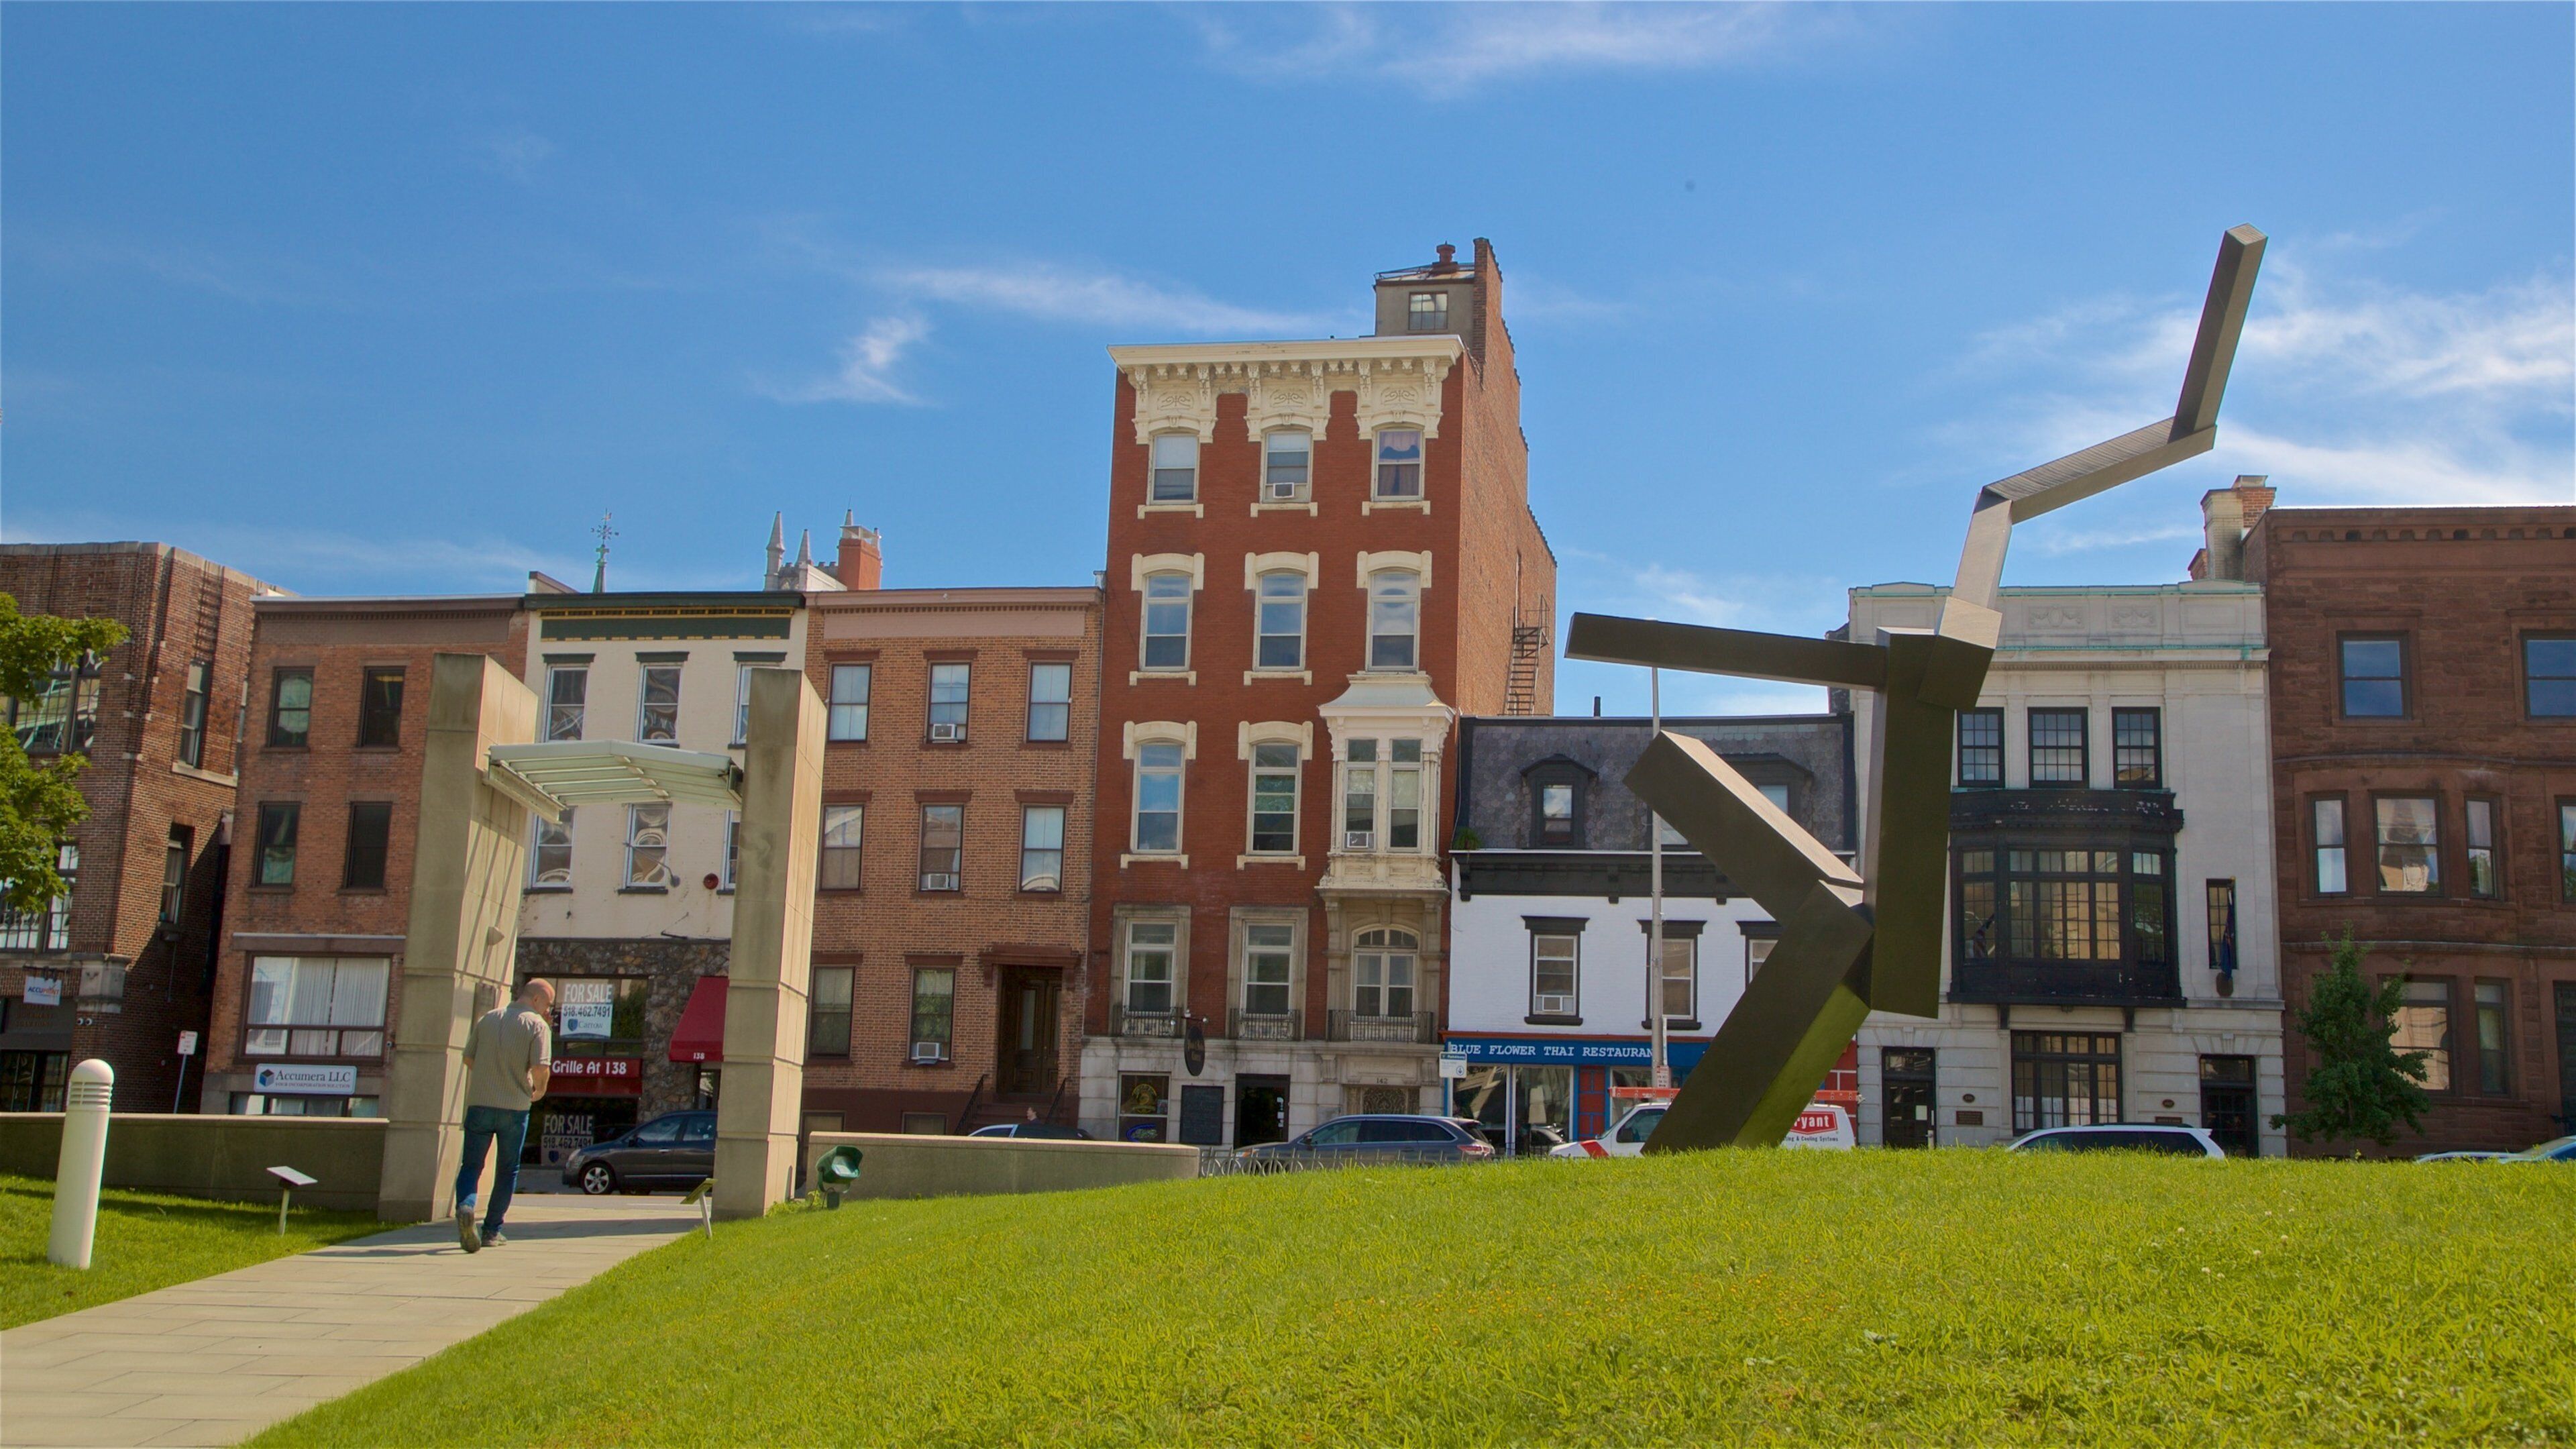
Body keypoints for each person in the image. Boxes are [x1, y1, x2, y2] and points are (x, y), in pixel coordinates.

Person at [455, 978, 553, 1252]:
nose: (548, 1011)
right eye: (548, 1004)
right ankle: (491, 1230)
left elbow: (468, 1058)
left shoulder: (488, 1019)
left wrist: (490, 1076)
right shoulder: (537, 1026)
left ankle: (466, 1206)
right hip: (515, 1107)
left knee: (471, 1166)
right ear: (536, 1000)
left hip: (479, 1104)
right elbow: (540, 1067)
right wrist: (539, 1091)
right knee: (507, 1170)